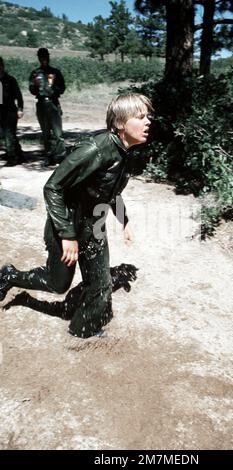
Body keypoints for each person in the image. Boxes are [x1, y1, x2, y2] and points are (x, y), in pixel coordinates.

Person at [0, 93, 153, 338]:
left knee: (100, 284)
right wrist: (67, 235)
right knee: (57, 283)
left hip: (93, 226)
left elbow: (110, 191)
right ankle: (10, 275)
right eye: (141, 117)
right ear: (120, 123)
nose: (148, 122)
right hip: (67, 226)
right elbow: (53, 187)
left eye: (148, 116)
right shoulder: (95, 150)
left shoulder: (126, 152)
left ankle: (85, 329)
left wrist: (124, 221)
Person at [29, 48, 66, 166]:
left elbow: (62, 87)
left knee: (58, 133)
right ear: (38, 58)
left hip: (53, 103)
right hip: (41, 104)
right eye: (41, 56)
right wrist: (35, 85)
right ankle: (49, 156)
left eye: (45, 56)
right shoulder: (35, 73)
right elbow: (32, 90)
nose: (44, 58)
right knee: (45, 133)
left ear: (48, 57)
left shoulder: (55, 72)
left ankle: (60, 156)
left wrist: (53, 89)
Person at [0, 56, 24, 166]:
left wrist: (20, 109)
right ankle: (19, 154)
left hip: (10, 111)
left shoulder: (10, 80)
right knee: (8, 134)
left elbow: (19, 96)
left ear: (3, 66)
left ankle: (12, 158)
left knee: (9, 134)